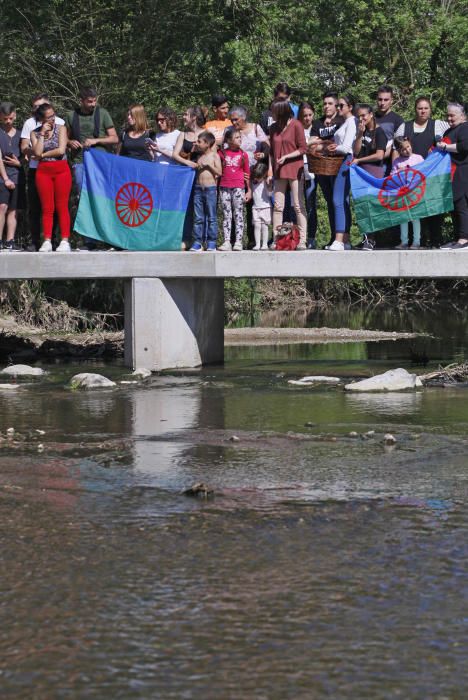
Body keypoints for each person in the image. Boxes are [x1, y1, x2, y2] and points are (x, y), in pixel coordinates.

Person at [394, 96, 449, 247]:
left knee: (432, 209)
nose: (423, 111)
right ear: (415, 109)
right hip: (409, 180)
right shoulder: (404, 127)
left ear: (430, 109)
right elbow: (395, 149)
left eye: (426, 108)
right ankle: (414, 241)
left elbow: (456, 128)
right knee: (412, 213)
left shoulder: (438, 124)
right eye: (420, 108)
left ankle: (436, 241)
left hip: (431, 176)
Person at [20, 92, 65, 250]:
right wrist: (34, 154)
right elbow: (25, 146)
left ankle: (52, 239)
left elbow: (62, 146)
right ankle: (34, 241)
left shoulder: (59, 122)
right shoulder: (29, 124)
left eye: (40, 106)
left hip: (56, 169)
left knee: (56, 208)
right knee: (35, 207)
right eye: (35, 107)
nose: (37, 109)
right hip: (36, 170)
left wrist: (43, 154)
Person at [30, 103, 72, 252]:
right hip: (43, 172)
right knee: (47, 208)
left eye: (53, 115)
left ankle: (65, 240)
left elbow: (60, 150)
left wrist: (42, 155)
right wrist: (41, 134)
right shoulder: (34, 133)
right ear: (41, 119)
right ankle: (47, 240)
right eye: (48, 118)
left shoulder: (61, 128)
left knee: (62, 206)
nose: (52, 119)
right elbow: (36, 151)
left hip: (61, 170)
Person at [269, 100, 308, 250]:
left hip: (294, 168)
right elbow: (272, 152)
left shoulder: (296, 125)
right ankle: (276, 240)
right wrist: (270, 171)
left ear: (282, 112)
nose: (271, 114)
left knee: (298, 205)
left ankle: (302, 240)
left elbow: (303, 148)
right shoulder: (273, 128)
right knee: (278, 206)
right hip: (279, 171)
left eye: (274, 111)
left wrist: (287, 156)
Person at [229, 105, 269, 247]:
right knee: (236, 207)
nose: (233, 123)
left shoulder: (256, 128)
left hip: (255, 174)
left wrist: (262, 154)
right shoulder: (231, 131)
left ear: (243, 117)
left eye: (236, 119)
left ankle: (253, 240)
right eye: (231, 120)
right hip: (237, 174)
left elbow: (267, 145)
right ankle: (234, 240)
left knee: (254, 207)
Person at [65, 86, 118, 193]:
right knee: (82, 193)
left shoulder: (103, 113)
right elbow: (64, 138)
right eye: (90, 102)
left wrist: (96, 140)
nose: (93, 104)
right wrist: (69, 142)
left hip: (101, 160)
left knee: (101, 193)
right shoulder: (71, 116)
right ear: (81, 101)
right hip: (79, 161)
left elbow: (115, 138)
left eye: (94, 101)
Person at [350, 104, 387, 250]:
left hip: (374, 172)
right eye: (359, 116)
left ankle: (372, 239)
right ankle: (365, 238)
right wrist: (359, 134)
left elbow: (380, 155)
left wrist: (360, 161)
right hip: (361, 173)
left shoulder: (379, 132)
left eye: (364, 115)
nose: (362, 118)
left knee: (372, 206)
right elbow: (356, 151)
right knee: (363, 206)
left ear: (371, 115)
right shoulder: (362, 130)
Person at [309, 92, 344, 241]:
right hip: (322, 168)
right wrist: (325, 146)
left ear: (336, 105)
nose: (326, 106)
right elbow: (311, 145)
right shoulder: (317, 123)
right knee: (330, 202)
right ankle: (332, 237)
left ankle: (343, 238)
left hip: (339, 166)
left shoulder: (342, 121)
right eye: (324, 104)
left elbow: (342, 143)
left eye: (330, 103)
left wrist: (321, 143)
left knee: (340, 202)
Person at [325, 94, 357, 251]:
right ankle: (345, 239)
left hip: (345, 160)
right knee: (343, 200)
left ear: (350, 107)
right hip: (341, 160)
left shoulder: (351, 122)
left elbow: (346, 147)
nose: (338, 108)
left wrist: (333, 147)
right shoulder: (345, 122)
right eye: (338, 106)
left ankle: (339, 239)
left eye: (341, 106)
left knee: (337, 199)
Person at [173, 106, 208, 248]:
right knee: (186, 208)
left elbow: (213, 154)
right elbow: (175, 154)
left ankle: (202, 240)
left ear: (194, 117)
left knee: (202, 208)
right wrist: (188, 162)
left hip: (202, 176)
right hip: (185, 176)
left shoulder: (206, 133)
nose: (183, 117)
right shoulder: (183, 134)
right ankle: (186, 239)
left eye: (186, 114)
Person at [438, 103, 468, 250]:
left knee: (461, 204)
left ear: (462, 116)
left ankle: (464, 238)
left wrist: (444, 147)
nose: (449, 118)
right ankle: (457, 237)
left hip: (463, 172)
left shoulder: (465, 128)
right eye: (447, 115)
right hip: (450, 173)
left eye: (452, 115)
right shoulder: (449, 131)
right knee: (454, 205)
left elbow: (464, 146)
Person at [218, 127, 251, 251]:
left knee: (238, 214)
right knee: (227, 215)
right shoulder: (221, 153)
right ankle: (227, 241)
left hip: (238, 187)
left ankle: (238, 241)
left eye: (240, 137)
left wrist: (249, 190)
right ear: (229, 140)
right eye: (237, 137)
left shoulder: (243, 154)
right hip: (224, 187)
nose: (239, 140)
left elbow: (247, 173)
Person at [391, 137, 424, 249]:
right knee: (403, 218)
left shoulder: (418, 158)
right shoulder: (397, 161)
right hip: (402, 194)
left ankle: (416, 242)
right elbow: (392, 177)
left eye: (408, 146)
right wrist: (398, 171)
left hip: (415, 193)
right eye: (403, 149)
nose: (407, 150)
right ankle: (404, 242)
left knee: (415, 218)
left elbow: (424, 172)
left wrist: (409, 169)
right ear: (399, 151)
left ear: (411, 144)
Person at [190, 131, 222, 252]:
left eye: (199, 141)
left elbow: (219, 172)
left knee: (211, 217)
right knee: (198, 217)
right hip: (198, 189)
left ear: (207, 143)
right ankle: (198, 242)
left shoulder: (214, 156)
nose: (197, 143)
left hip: (210, 189)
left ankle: (211, 242)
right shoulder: (199, 157)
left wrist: (209, 166)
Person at [0, 102, 25, 251]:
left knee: (13, 209)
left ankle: (10, 241)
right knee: (2, 207)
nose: (8, 121)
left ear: (14, 115)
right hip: (2, 177)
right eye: (4, 119)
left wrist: (19, 163)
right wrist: (6, 178)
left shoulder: (22, 134)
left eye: (10, 118)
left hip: (17, 176)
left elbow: (26, 157)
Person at [298, 102, 317, 248]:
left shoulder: (316, 128)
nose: (307, 118)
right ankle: (297, 237)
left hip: (312, 168)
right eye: (304, 115)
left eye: (310, 115)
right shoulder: (296, 128)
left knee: (310, 204)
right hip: (298, 168)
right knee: (297, 205)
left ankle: (311, 237)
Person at [251, 162, 272, 250]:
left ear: (264, 175)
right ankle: (257, 244)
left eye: (259, 177)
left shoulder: (265, 183)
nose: (256, 178)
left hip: (265, 207)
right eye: (255, 176)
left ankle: (264, 244)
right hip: (255, 207)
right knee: (257, 225)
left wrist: (269, 186)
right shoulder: (253, 182)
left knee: (264, 226)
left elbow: (270, 194)